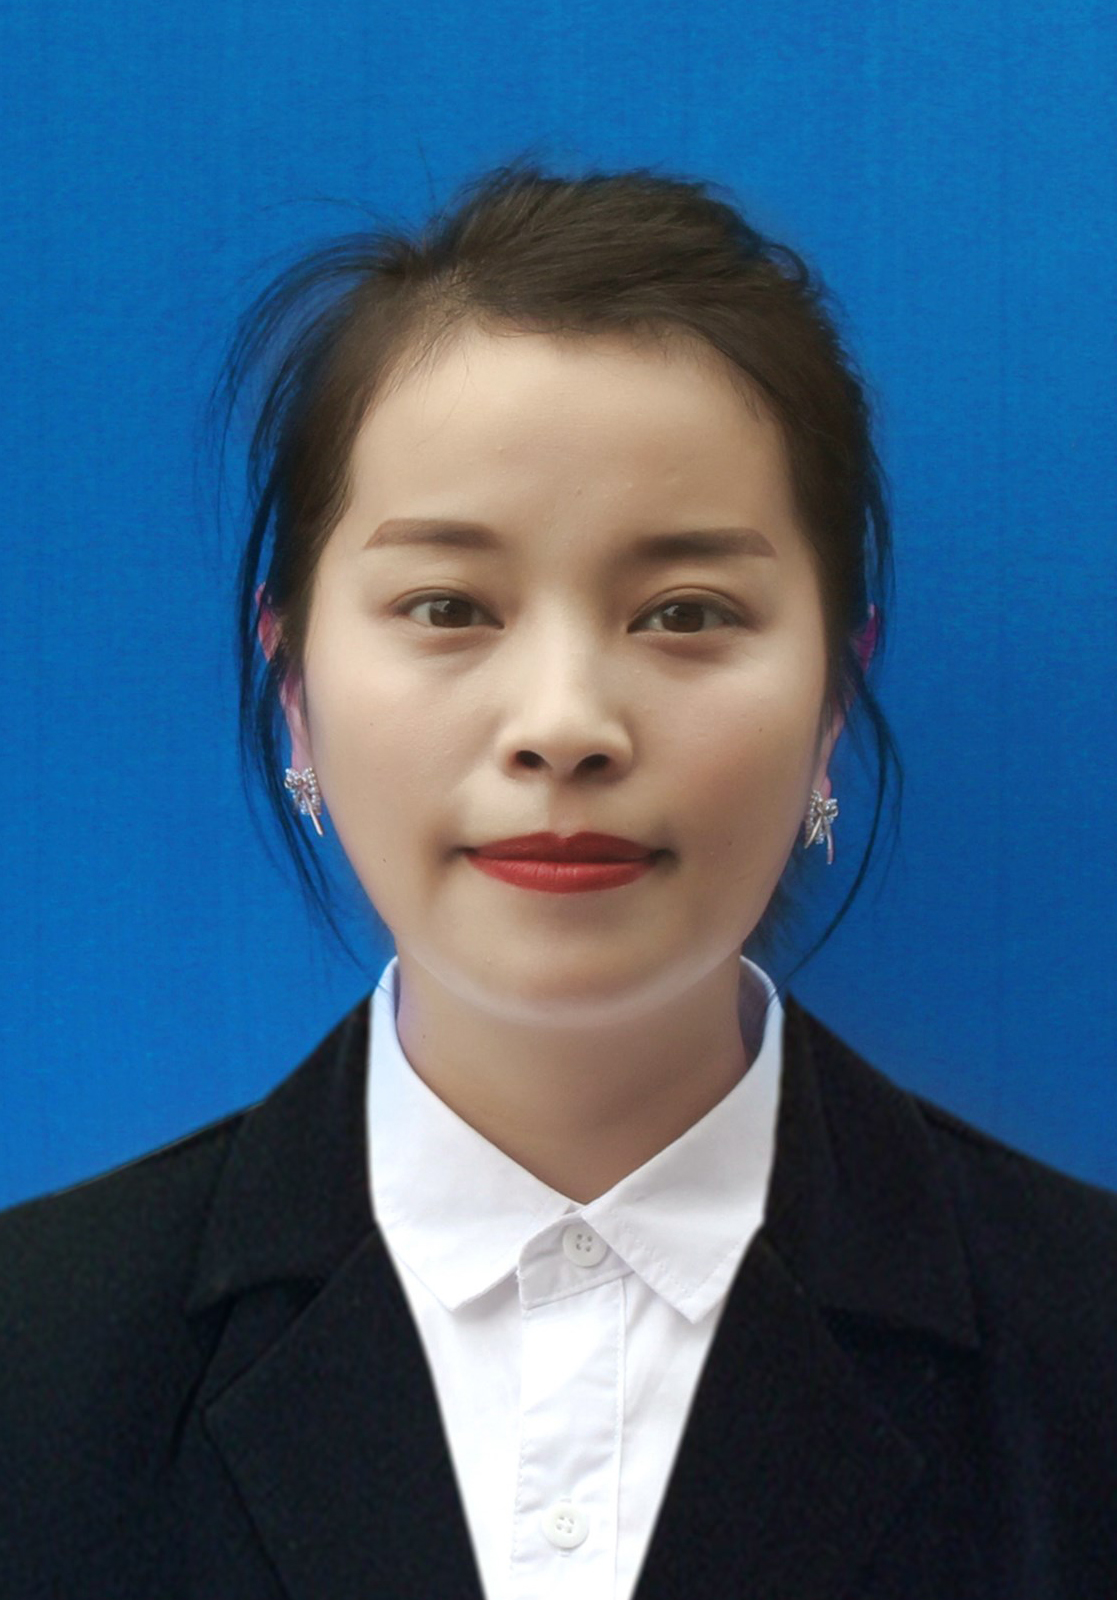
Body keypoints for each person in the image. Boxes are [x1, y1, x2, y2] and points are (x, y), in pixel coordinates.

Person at [1, 159, 1115, 1600]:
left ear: (835, 692)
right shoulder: (38, 1355)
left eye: (686, 613)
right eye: (448, 605)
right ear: (296, 689)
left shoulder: (1082, 1352)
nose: (564, 724)